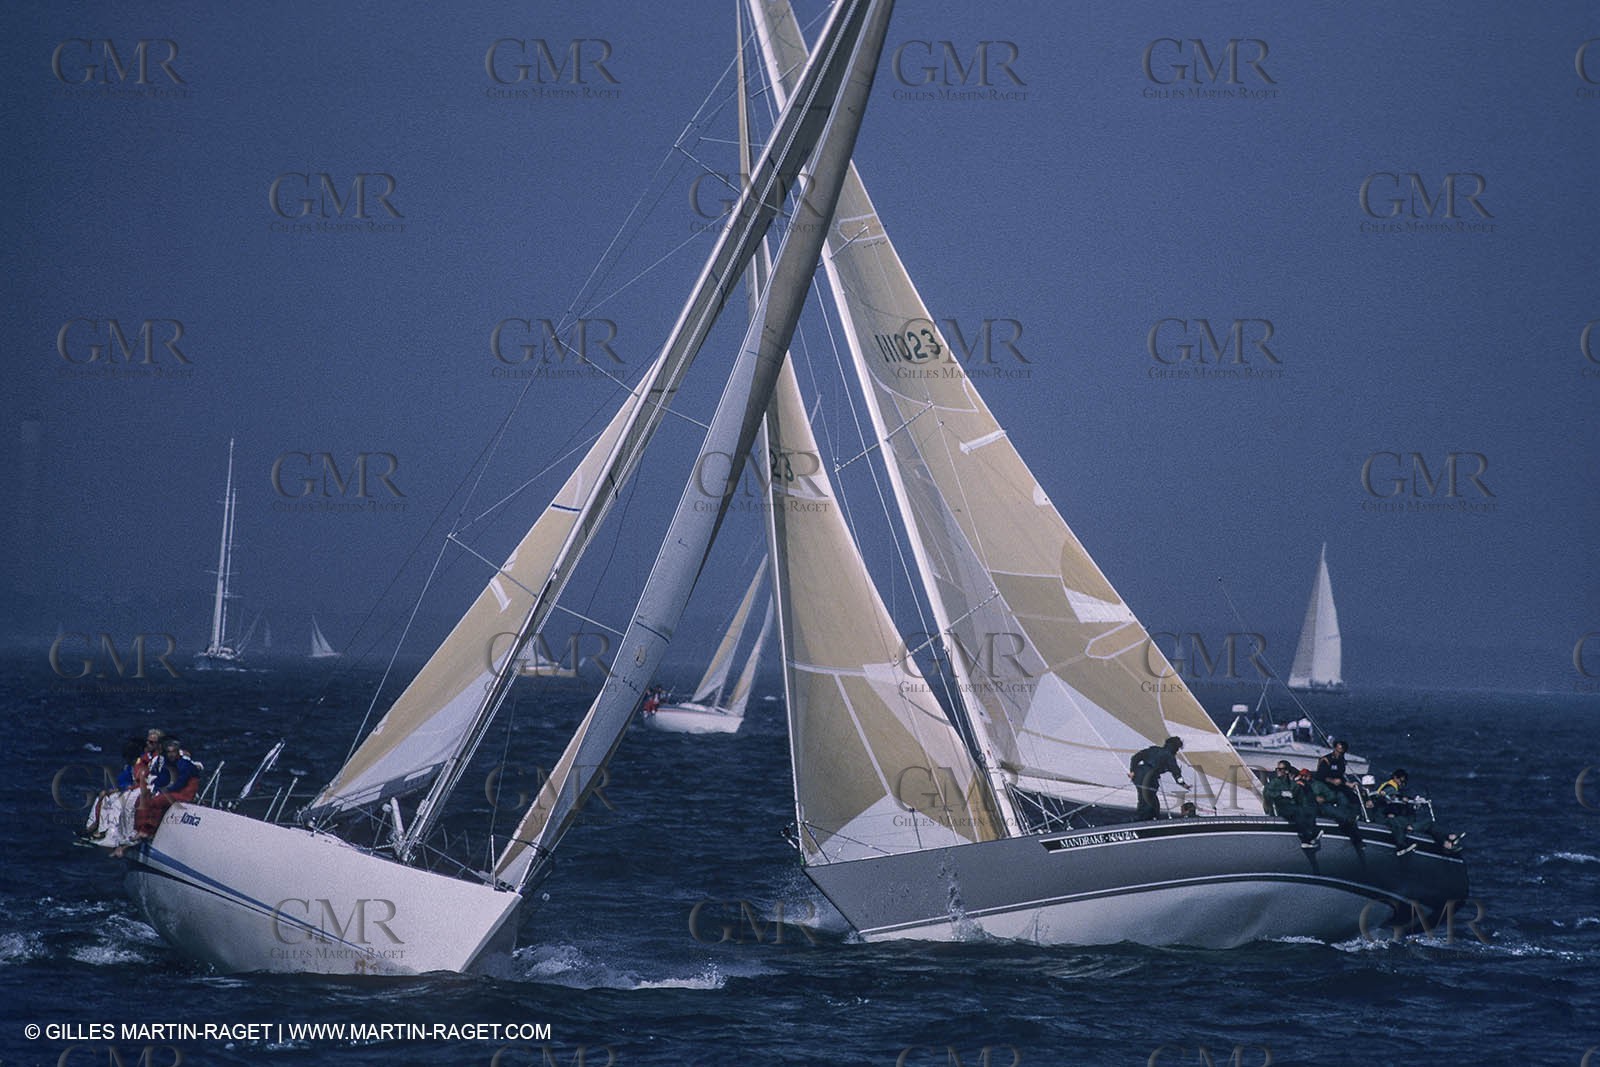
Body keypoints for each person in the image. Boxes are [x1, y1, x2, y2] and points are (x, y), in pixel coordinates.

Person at [1370, 768, 1465, 854]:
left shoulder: (1393, 788)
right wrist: (1403, 799)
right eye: (1401, 780)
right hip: (1391, 819)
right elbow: (1392, 795)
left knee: (1429, 823)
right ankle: (1446, 840)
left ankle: (1446, 841)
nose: (1402, 783)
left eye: (1404, 782)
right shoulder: (1390, 787)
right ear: (1395, 778)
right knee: (1424, 823)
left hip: (1398, 817)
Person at [131, 738, 200, 843]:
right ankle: (139, 828)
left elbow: (179, 784)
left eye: (173, 752)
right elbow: (161, 779)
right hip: (173, 791)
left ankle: (149, 830)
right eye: (169, 752)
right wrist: (155, 789)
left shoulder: (186, 765)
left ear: (178, 752)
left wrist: (163, 791)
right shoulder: (168, 764)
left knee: (158, 801)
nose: (171, 755)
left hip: (185, 793)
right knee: (144, 798)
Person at [1262, 761, 1321, 849]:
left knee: (1306, 811)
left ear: (1286, 771)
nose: (1278, 771)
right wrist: (1281, 793)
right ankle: (1306, 838)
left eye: (1280, 769)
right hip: (1281, 808)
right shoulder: (1275, 782)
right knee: (1297, 811)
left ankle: (1312, 834)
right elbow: (1267, 793)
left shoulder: (1293, 784)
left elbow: (1300, 798)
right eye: (1277, 769)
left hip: (1292, 807)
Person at [1128, 736, 1188, 820]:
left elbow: (1136, 757)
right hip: (1148, 777)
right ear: (1175, 748)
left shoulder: (1154, 749)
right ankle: (1143, 820)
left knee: (1148, 799)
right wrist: (1184, 784)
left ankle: (1151, 817)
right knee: (1147, 800)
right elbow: (1177, 774)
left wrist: (1132, 771)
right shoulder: (1170, 757)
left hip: (1140, 774)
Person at [1308, 768, 1363, 847]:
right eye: (1302, 776)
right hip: (1308, 807)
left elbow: (1331, 796)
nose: (1304, 778)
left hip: (1321, 806)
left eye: (1306, 776)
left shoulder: (1318, 785)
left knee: (1337, 813)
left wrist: (1323, 799)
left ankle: (1354, 833)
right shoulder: (1298, 784)